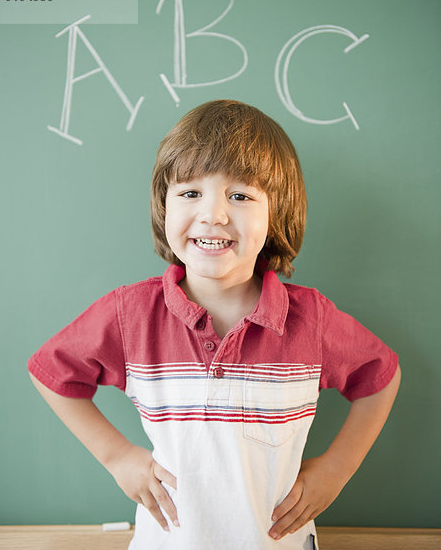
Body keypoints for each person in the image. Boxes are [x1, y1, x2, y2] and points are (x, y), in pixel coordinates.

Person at [28, 99, 401, 550]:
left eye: (240, 196)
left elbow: (380, 376)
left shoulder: (311, 320)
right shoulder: (132, 315)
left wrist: (336, 470)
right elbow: (51, 371)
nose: (214, 214)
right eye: (190, 193)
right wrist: (118, 457)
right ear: (164, 205)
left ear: (275, 213)